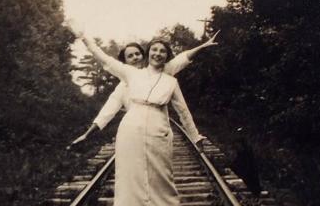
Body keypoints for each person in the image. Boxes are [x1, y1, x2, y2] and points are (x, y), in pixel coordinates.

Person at [80, 36, 216, 206]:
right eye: (154, 50)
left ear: (166, 56)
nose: (157, 54)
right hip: (131, 129)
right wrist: (86, 40)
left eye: (162, 51)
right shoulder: (132, 74)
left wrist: (195, 136)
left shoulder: (171, 80)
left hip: (158, 128)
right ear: (148, 52)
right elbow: (105, 59)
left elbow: (183, 111)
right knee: (131, 180)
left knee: (162, 179)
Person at [71, 31, 219, 147]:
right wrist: (87, 134)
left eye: (137, 54)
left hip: (158, 131)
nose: (135, 58)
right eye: (130, 56)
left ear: (144, 55)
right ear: (124, 62)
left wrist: (202, 47)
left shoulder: (166, 73)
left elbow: (181, 60)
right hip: (133, 129)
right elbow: (107, 111)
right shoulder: (127, 78)